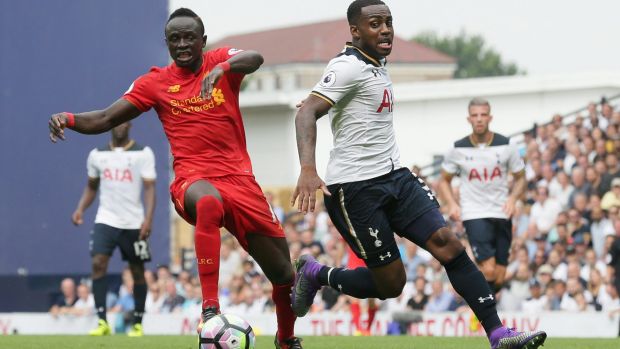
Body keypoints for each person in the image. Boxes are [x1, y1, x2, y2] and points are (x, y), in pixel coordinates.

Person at [289, 1, 546, 348]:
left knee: (449, 244)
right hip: (355, 189)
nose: (385, 30)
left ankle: (498, 334)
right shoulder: (347, 66)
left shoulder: (377, 62)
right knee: (391, 285)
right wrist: (307, 167)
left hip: (396, 177)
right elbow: (306, 113)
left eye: (388, 23)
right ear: (355, 31)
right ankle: (317, 273)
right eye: (375, 24)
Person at [49, 8, 301, 348]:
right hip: (192, 179)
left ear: (203, 41)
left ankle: (286, 340)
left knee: (285, 275)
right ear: (166, 43)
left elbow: (255, 57)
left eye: (189, 37)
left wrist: (223, 68)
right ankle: (210, 309)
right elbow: (107, 117)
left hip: (241, 181)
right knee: (209, 203)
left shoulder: (220, 61)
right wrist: (68, 117)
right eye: (174, 39)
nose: (182, 44)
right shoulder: (154, 82)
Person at [70, 121, 156, 336]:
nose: (120, 126)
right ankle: (101, 322)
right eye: (116, 122)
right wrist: (80, 208)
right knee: (98, 263)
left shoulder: (143, 153)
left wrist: (148, 219)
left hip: (134, 222)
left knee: (137, 270)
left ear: (130, 125)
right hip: (106, 219)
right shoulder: (97, 154)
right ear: (110, 125)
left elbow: (149, 188)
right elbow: (91, 186)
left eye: (124, 122)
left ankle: (137, 322)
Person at [437, 98, 527, 293]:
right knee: (489, 269)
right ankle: (486, 319)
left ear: (490, 117)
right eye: (475, 115)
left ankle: (480, 309)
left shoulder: (506, 146)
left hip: (502, 212)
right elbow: (443, 180)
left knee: (500, 277)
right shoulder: (458, 148)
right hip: (474, 212)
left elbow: (521, 177)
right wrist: (452, 204)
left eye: (483, 115)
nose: (479, 119)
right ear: (469, 119)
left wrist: (513, 199)